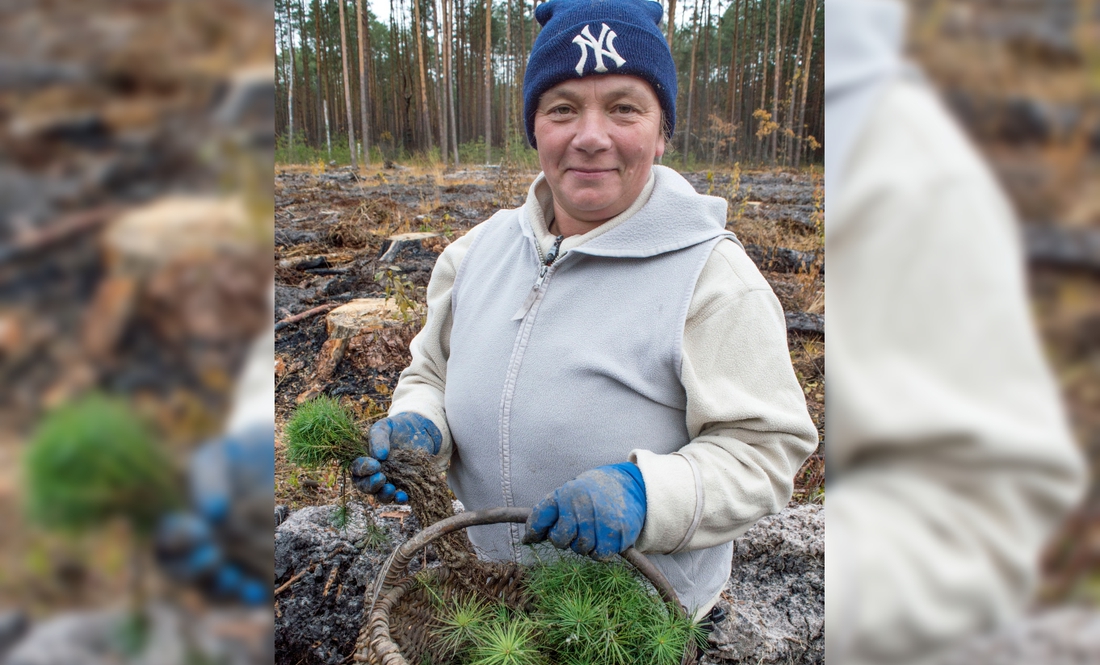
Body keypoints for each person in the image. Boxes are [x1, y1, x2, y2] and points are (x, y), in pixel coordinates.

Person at [353, 0, 818, 619]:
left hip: (630, 626)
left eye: (624, 107)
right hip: (482, 601)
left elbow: (763, 451)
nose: (590, 136)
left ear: (661, 130)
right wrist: (421, 425)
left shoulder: (713, 278)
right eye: (563, 108)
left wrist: (648, 495)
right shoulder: (474, 255)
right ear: (535, 128)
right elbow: (430, 375)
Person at [824, 1, 1086, 662]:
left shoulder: (915, 171)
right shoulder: (520, 235)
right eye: (561, 108)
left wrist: (812, 592)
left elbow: (982, 504)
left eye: (622, 108)